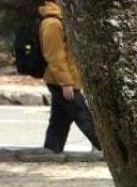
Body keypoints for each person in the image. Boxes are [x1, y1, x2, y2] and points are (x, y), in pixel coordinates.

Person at [38, 1, 99, 154]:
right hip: (60, 81)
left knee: (60, 120)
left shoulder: (63, 20)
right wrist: (66, 82)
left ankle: (51, 151)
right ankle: (106, 149)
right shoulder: (52, 23)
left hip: (66, 79)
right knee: (83, 116)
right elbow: (54, 57)